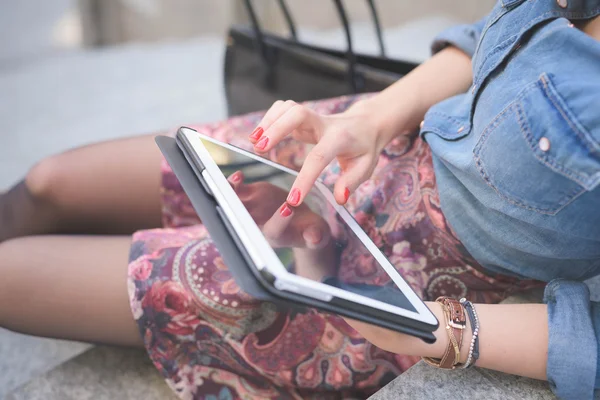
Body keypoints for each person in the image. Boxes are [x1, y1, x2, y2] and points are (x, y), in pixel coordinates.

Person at [1, 1, 599, 399]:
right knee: (54, 181)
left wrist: (441, 332)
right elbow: (491, 40)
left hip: (410, 278)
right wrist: (372, 115)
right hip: (371, 146)